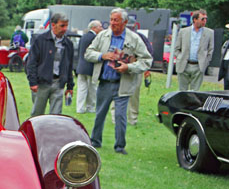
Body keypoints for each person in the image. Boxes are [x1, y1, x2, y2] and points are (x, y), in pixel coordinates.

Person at [84, 8, 152, 155]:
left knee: (121, 116)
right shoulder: (102, 36)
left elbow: (147, 60)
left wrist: (129, 67)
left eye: (116, 20)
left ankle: (120, 146)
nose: (112, 23)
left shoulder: (134, 39)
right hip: (105, 82)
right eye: (111, 19)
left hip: (123, 83)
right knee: (100, 113)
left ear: (125, 22)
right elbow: (88, 53)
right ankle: (95, 141)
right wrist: (102, 55)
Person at [25, 13, 75, 116]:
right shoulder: (40, 40)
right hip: (41, 83)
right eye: (62, 26)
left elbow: (69, 66)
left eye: (66, 26)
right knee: (37, 114)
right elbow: (31, 62)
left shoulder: (68, 44)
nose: (65, 29)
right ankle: (34, 132)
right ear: (53, 25)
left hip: (58, 83)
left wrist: (70, 86)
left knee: (56, 116)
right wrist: (32, 81)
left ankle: (53, 132)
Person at [174, 9, 214, 91]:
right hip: (184, 65)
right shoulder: (183, 31)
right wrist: (180, 57)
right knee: (182, 91)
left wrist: (205, 62)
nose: (205, 21)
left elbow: (210, 50)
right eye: (202, 19)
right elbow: (176, 48)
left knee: (195, 92)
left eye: (206, 19)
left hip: (198, 66)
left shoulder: (209, 33)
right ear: (195, 19)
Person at [75, 20, 103, 113]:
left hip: (81, 67)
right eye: (100, 26)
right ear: (94, 28)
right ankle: (90, 107)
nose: (101, 28)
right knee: (92, 89)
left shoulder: (83, 37)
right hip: (91, 67)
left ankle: (79, 108)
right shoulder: (96, 38)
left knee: (81, 88)